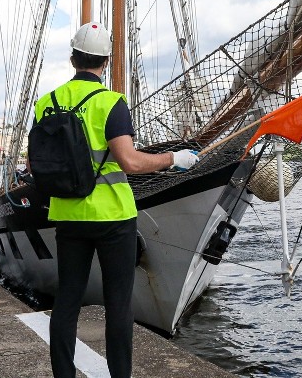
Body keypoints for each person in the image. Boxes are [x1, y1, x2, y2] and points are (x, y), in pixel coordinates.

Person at [30, 22, 199, 378]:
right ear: (106, 61)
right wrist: (174, 159)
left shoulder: (46, 103)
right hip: (113, 219)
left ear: (73, 57)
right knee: (118, 305)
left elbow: (36, 163)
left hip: (68, 216)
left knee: (67, 303)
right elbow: (131, 161)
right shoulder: (111, 103)